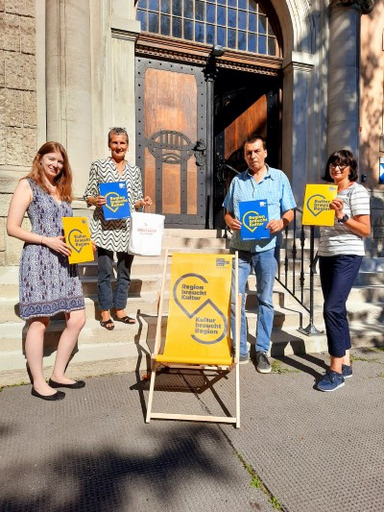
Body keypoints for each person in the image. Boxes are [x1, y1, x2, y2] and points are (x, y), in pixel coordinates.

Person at [7, 142, 87, 401]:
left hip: (65, 260)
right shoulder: (27, 185)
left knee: (77, 318)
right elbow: (12, 227)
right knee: (39, 322)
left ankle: (58, 374)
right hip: (38, 259)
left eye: (60, 161)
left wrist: (83, 242)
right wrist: (46, 239)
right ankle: (39, 383)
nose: (56, 164)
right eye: (51, 159)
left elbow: (68, 227)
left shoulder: (61, 189)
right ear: (39, 159)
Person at [223, 134, 297, 373]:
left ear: (265, 153)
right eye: (248, 153)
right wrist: (230, 222)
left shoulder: (279, 179)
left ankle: (262, 350)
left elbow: (290, 211)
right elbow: (226, 212)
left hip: (267, 249)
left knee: (265, 300)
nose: (252, 156)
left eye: (256, 151)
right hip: (240, 250)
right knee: (236, 300)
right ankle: (242, 349)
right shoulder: (238, 181)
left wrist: (281, 223)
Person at [83, 127, 152, 330]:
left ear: (128, 146)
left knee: (124, 271)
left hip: (126, 228)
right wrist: (96, 200)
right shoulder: (99, 166)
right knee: (104, 271)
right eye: (115, 142)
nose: (118, 146)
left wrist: (143, 201)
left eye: (122, 143)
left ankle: (119, 309)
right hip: (103, 227)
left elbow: (136, 199)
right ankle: (104, 311)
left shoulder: (134, 171)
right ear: (109, 144)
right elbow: (87, 195)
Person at [316, 149, 370, 392]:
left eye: (341, 165)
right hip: (326, 254)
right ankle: (346, 362)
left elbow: (365, 230)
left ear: (350, 168)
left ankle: (335, 370)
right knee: (336, 308)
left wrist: (342, 216)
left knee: (332, 309)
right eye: (333, 165)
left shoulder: (357, 191)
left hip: (348, 255)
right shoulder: (325, 191)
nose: (336, 169)